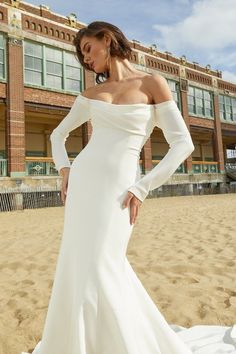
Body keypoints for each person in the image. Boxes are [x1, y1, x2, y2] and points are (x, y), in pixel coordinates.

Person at [24, 21, 236, 354]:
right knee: (80, 264)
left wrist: (143, 187)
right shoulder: (91, 94)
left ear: (106, 39)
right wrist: (65, 170)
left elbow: (182, 144)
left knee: (104, 264)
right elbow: (57, 136)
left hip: (121, 189)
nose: (87, 60)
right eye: (82, 57)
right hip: (84, 184)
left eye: (88, 49)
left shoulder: (153, 83)